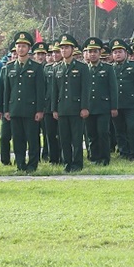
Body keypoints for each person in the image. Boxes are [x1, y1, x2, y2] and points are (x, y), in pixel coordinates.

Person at [0, 32, 47, 172]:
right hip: (14, 109)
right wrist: (6, 110)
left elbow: (40, 91)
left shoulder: (36, 67)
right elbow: (6, 91)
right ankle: (20, 165)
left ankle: (32, 165)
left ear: (29, 48)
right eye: (18, 46)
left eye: (24, 46)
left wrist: (40, 110)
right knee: (18, 139)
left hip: (31, 110)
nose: (21, 49)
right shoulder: (9, 67)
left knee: (32, 139)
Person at [51, 34, 88, 172]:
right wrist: (54, 108)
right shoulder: (57, 68)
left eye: (67, 48)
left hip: (76, 108)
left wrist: (84, 107)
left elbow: (85, 89)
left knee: (77, 138)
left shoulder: (82, 67)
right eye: (62, 48)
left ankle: (77, 163)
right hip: (62, 108)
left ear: (73, 49)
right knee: (64, 138)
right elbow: (54, 90)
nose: (64, 51)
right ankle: (67, 163)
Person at [81, 37, 119, 165]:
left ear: (100, 52)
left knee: (103, 132)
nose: (92, 54)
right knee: (91, 134)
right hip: (88, 107)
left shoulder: (108, 68)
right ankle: (94, 157)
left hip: (103, 106)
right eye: (90, 51)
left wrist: (114, 107)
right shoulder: (83, 68)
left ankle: (105, 158)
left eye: (95, 51)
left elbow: (113, 89)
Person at [109, 38, 134, 161]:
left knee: (131, 128)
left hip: (131, 104)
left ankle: (133, 152)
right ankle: (123, 151)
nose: (117, 54)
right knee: (119, 130)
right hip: (116, 104)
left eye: (120, 52)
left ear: (126, 53)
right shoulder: (111, 68)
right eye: (115, 52)